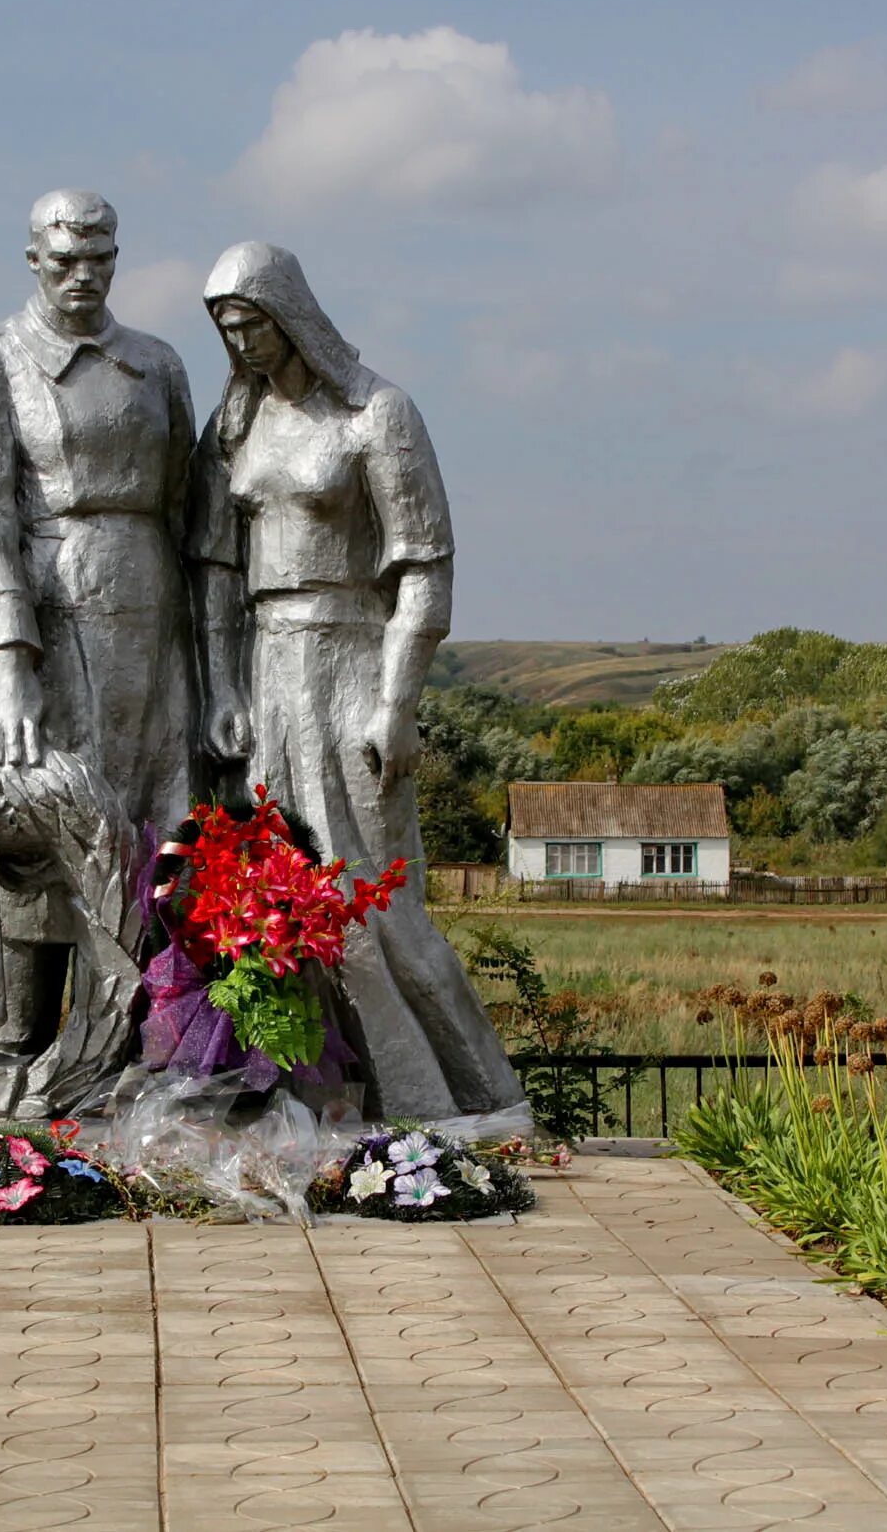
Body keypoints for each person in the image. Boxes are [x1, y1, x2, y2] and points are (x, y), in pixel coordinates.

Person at [188, 241, 526, 1121]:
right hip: (268, 667)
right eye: (228, 331)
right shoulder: (234, 426)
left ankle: (476, 1098)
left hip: (351, 659)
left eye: (255, 322)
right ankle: (318, 1090)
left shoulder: (378, 412)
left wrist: (396, 705)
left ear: (292, 312)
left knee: (384, 905)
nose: (245, 344)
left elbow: (425, 570)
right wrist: (223, 687)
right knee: (276, 900)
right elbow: (217, 572)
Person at [0, 188, 198, 1053]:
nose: (84, 275)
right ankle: (17, 1038)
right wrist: (5, 654)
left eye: (101, 258)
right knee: (39, 814)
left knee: (151, 819)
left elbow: (196, 506)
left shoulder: (157, 364)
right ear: (33, 259)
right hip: (51, 621)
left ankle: (132, 1035)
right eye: (64, 259)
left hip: (155, 620)